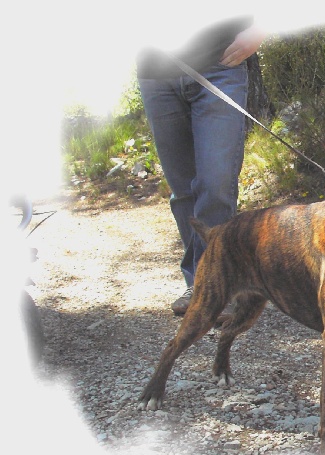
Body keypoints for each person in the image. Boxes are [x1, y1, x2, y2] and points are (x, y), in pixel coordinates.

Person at [136, 16, 267, 317]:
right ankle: (198, 283)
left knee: (215, 183)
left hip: (220, 66)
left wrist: (260, 29)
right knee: (183, 190)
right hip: (156, 73)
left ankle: (215, 287)